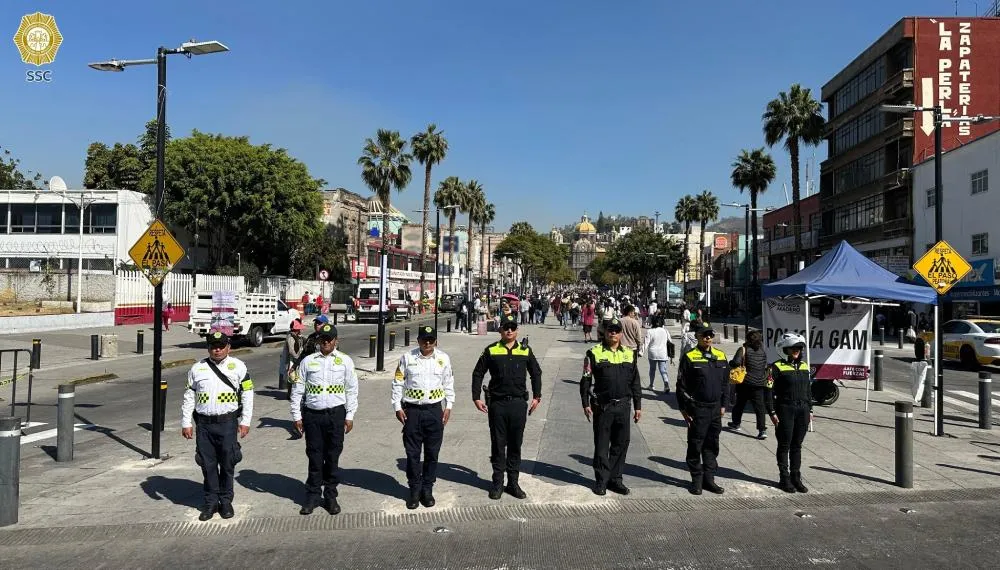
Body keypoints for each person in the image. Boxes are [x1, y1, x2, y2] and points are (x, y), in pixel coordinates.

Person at [181, 331, 254, 521]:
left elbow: (247, 394)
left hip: (228, 423)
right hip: (204, 424)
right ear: (208, 348)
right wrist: (186, 422)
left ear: (228, 347)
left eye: (221, 346)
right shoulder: (198, 368)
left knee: (228, 463)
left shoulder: (238, 366)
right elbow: (189, 396)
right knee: (207, 464)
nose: (217, 349)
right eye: (213, 346)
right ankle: (211, 502)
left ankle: (226, 501)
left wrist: (245, 421)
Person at [472, 314, 543, 500]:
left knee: (515, 445)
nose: (509, 330)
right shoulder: (491, 350)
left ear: (517, 330)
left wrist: (537, 396)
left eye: (512, 327)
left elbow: (536, 373)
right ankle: (497, 483)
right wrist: (476, 397)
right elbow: (478, 373)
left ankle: (513, 483)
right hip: (498, 404)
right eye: (506, 327)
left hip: (519, 404)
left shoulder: (525, 351)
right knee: (498, 444)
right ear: (500, 330)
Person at [290, 323, 359, 516]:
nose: (326, 342)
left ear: (336, 341)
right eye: (323, 339)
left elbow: (352, 390)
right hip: (312, 415)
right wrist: (296, 415)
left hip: (336, 415)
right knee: (314, 456)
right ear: (318, 340)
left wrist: (350, 415)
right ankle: (312, 496)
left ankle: (330, 496)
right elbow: (297, 390)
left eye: (330, 339)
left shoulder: (345, 361)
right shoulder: (308, 361)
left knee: (332, 457)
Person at [391, 325, 456, 509]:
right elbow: (397, 383)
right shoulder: (407, 358)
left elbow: (448, 383)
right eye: (424, 339)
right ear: (418, 340)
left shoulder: (443, 358)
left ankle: (427, 489)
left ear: (435, 341)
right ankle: (414, 490)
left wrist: (449, 405)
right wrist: (397, 406)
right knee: (412, 454)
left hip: (435, 411)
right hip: (413, 412)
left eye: (431, 340)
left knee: (432, 454)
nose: (428, 343)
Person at [580, 318, 642, 496]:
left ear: (621, 333)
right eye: (609, 330)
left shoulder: (630, 354)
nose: (612, 333)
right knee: (601, 445)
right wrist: (585, 403)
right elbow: (585, 380)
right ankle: (601, 480)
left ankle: (615, 479)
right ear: (604, 332)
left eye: (616, 330)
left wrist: (638, 405)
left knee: (621, 444)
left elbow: (635, 381)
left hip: (623, 405)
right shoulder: (593, 352)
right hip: (603, 407)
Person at [676, 326, 730, 496]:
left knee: (712, 445)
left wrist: (724, 405)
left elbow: (726, 383)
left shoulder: (720, 356)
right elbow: (681, 386)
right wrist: (684, 409)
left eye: (710, 336)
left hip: (715, 409)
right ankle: (696, 481)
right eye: (704, 336)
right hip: (698, 409)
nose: (707, 338)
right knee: (695, 445)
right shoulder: (690, 357)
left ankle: (709, 479)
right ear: (697, 337)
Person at [767, 332, 813, 494]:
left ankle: (796, 477)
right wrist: (772, 412)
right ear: (784, 349)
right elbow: (768, 392)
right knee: (784, 444)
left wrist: (811, 409)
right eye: (793, 348)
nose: (796, 350)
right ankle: (784, 478)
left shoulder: (804, 366)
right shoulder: (775, 367)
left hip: (803, 410)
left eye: (799, 348)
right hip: (785, 409)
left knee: (797, 445)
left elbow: (808, 390)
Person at [727, 330, 770, 439]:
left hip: (745, 382)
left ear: (747, 339)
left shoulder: (743, 349)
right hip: (759, 383)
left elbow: (736, 362)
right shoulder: (762, 351)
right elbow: (764, 365)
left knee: (740, 403)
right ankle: (762, 430)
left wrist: (731, 363)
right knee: (759, 408)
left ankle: (736, 423)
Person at [642, 315, 673, 392]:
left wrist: (641, 352)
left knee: (652, 369)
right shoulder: (665, 331)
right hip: (663, 353)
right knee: (663, 370)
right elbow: (670, 342)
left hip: (652, 353)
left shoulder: (650, 331)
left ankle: (651, 385)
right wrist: (671, 354)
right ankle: (666, 384)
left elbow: (646, 343)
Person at [280, 318, 305, 400]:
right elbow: (291, 351)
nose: (300, 331)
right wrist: (298, 359)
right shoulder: (290, 337)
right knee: (291, 378)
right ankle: (290, 394)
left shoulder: (296, 336)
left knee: (293, 377)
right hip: (291, 360)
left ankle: (292, 394)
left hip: (294, 360)